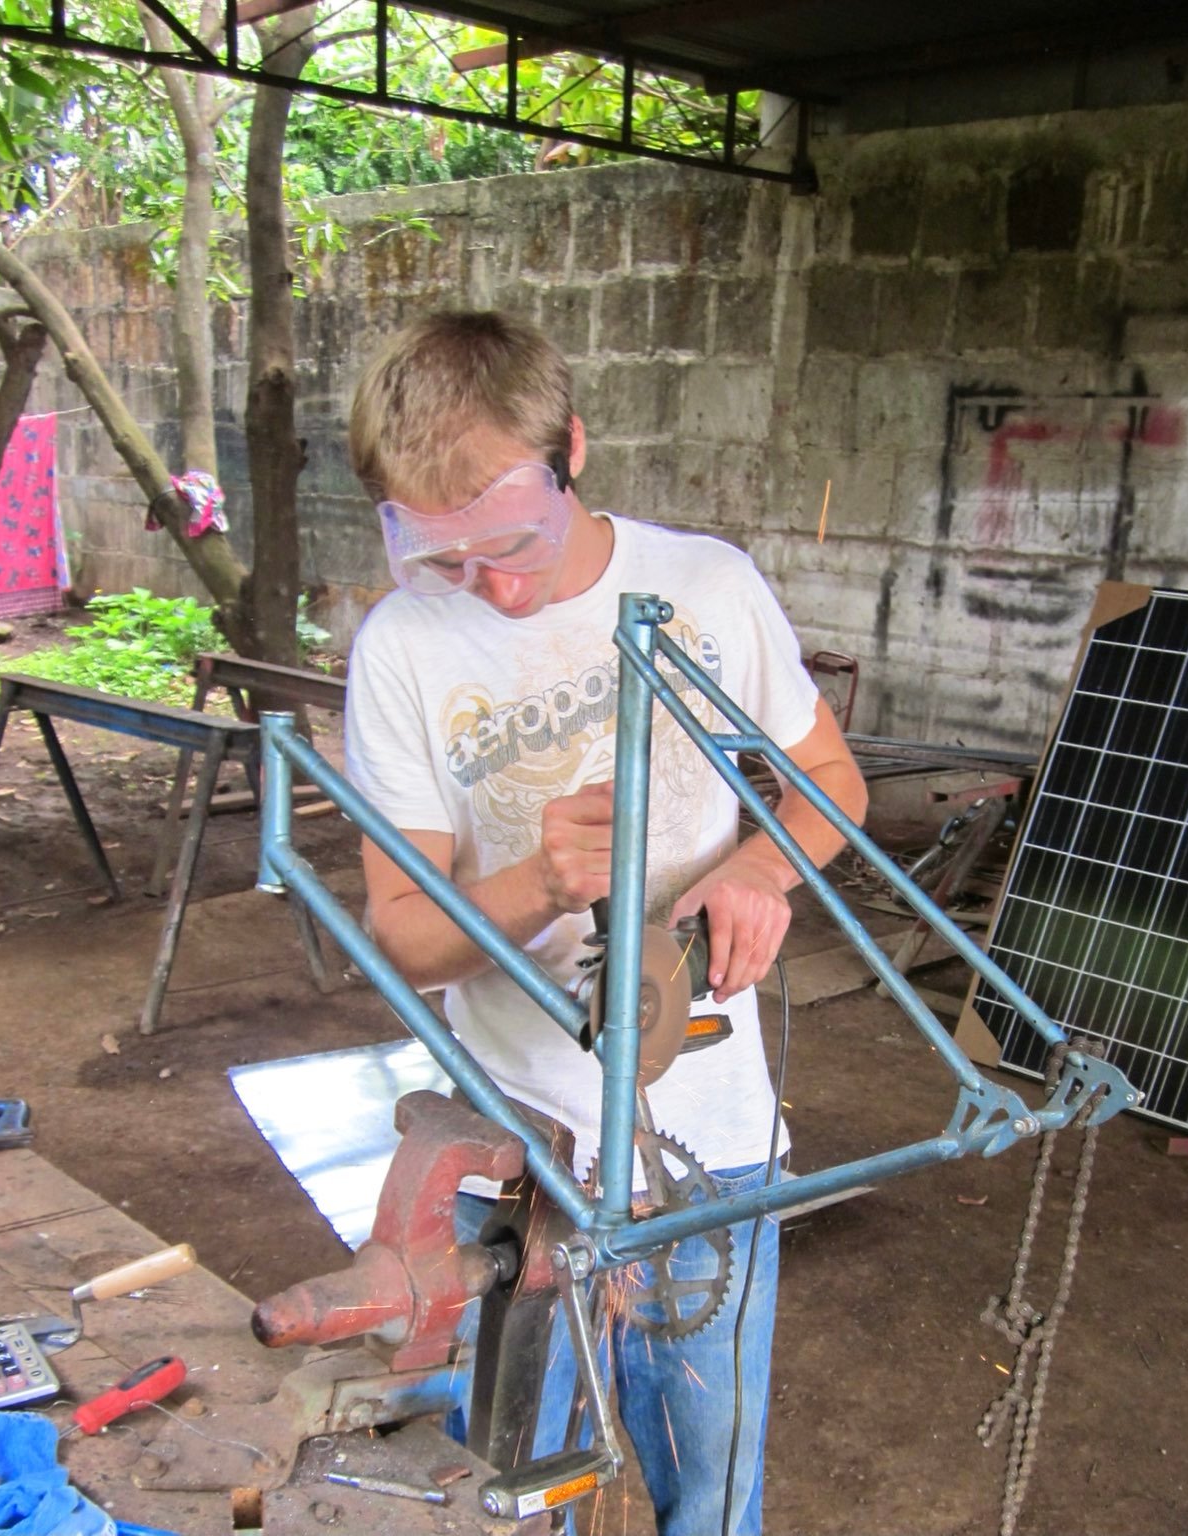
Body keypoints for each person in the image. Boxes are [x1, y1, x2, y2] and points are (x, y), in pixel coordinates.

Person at [343, 309, 867, 1535]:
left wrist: (758, 872)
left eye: (512, 538)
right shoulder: (405, 647)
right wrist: (534, 882)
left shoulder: (703, 586)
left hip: (708, 1134)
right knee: (519, 1496)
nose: (497, 585)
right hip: (513, 1150)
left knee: (708, 1491)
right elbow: (404, 942)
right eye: (447, 555)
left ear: (573, 447)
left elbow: (827, 785)